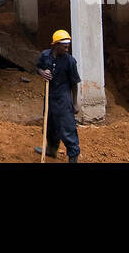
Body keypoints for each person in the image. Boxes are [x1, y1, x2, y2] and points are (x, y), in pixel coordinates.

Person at [35, 28, 81, 162]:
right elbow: (37, 67)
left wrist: (75, 102)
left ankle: (73, 157)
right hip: (49, 97)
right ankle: (51, 150)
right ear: (56, 45)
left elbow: (74, 83)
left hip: (63, 99)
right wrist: (42, 72)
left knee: (67, 128)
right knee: (49, 125)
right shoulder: (45, 55)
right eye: (64, 47)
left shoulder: (70, 61)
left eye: (68, 47)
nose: (67, 50)